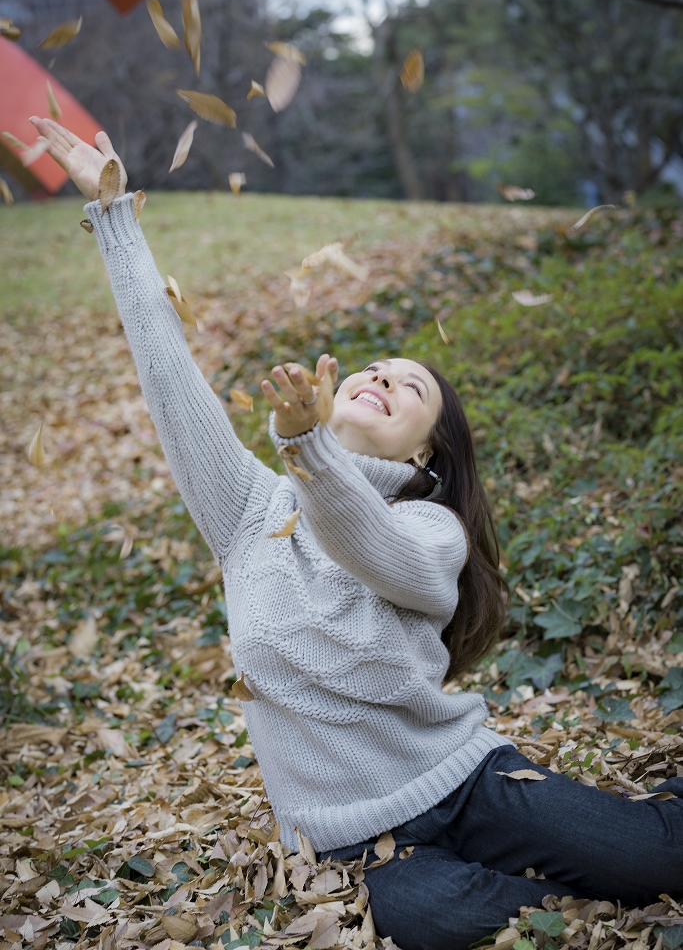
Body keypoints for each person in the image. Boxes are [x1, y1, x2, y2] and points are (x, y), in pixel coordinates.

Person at [30, 119, 683, 950]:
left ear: (423, 452)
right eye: (376, 368)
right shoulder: (247, 512)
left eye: (411, 386)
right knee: (440, 921)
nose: (383, 376)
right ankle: (566, 901)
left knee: (654, 858)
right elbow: (169, 379)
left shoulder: (430, 529)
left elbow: (365, 544)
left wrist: (307, 448)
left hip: (468, 779)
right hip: (358, 841)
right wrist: (115, 217)